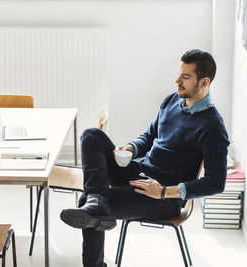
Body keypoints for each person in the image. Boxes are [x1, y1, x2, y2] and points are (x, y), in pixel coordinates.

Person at [60, 49, 230, 267]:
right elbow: (149, 136)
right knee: (92, 135)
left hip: (163, 197)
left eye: (186, 77)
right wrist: (132, 148)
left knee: (86, 202)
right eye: (179, 74)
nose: (177, 81)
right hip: (140, 173)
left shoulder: (213, 127)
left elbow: (217, 183)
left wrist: (163, 192)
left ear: (204, 82)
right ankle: (97, 202)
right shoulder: (172, 101)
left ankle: (95, 205)